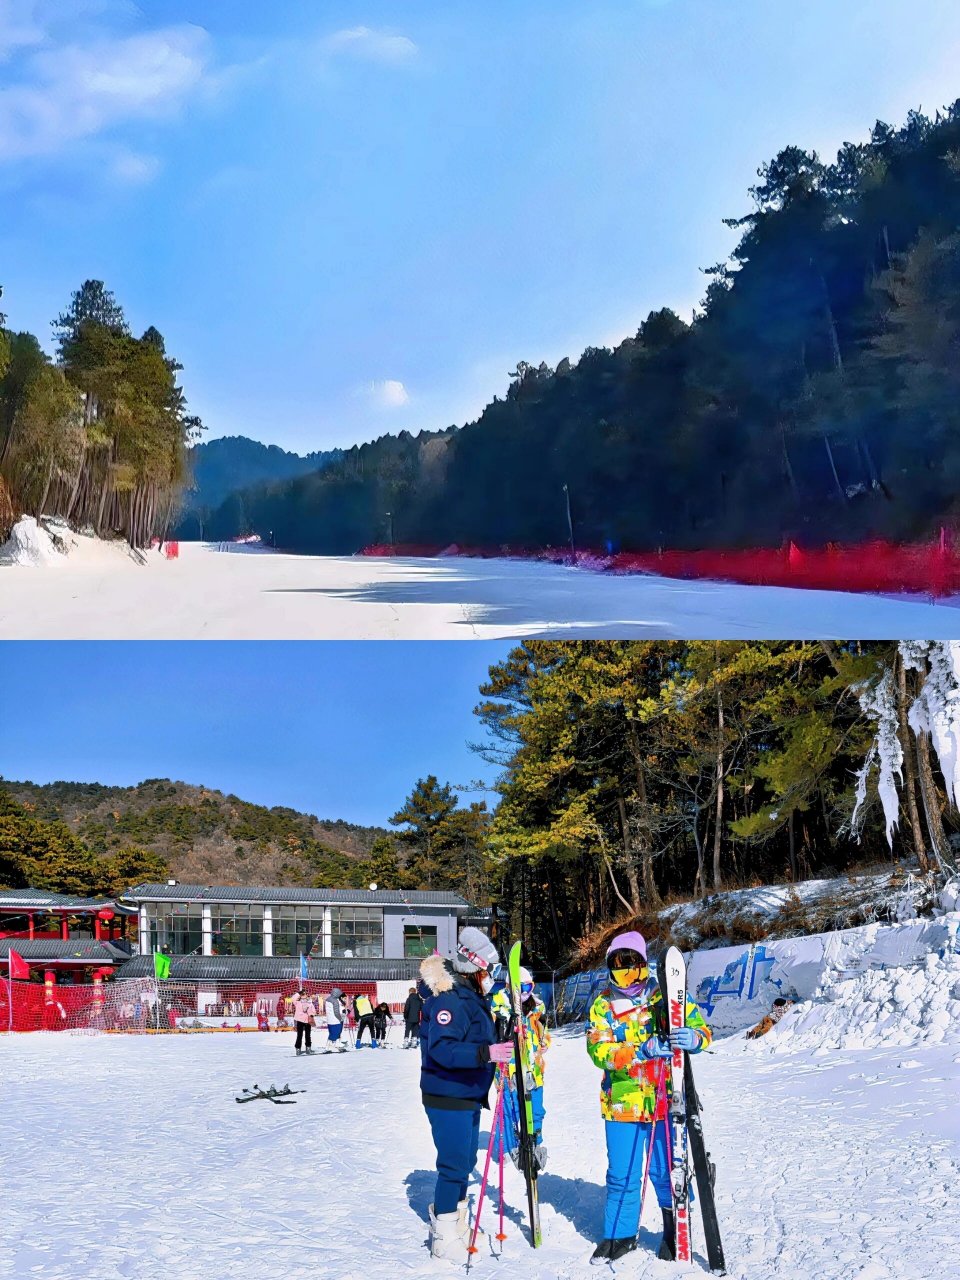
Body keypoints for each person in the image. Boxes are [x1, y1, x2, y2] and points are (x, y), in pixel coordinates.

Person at [586, 931, 712, 1265]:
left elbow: (702, 1030)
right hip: (622, 1103)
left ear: (647, 967)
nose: (630, 979)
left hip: (665, 1101)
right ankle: (619, 1235)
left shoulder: (664, 997)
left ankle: (674, 1231)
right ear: (610, 970)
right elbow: (599, 1051)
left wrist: (694, 1038)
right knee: (623, 1173)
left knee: (666, 1169)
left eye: (637, 970)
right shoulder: (603, 1005)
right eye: (621, 970)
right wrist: (640, 1051)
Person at [419, 926, 513, 1261]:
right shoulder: (451, 999)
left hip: (466, 1093)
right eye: (491, 970)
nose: (493, 977)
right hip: (448, 1094)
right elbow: (443, 1049)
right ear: (475, 968)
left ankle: (457, 1224)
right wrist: (487, 1054)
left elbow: (476, 1040)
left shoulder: (471, 997)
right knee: (453, 1165)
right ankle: (444, 1237)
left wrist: (496, 1043)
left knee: (464, 1161)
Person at [490, 965, 550, 1170]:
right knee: (508, 1110)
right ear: (509, 987)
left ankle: (535, 1143)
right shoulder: (498, 1009)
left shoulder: (537, 1008)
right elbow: (490, 1038)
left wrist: (544, 1043)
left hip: (533, 1070)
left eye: (528, 987)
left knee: (536, 1110)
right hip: (508, 1070)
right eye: (520, 988)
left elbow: (544, 1033)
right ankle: (509, 1148)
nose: (525, 992)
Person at [292, 988, 315, 1055]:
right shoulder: (297, 1002)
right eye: (303, 994)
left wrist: (311, 1015)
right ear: (301, 995)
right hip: (300, 1020)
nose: (305, 995)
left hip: (307, 1020)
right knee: (299, 1035)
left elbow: (312, 1010)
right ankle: (298, 1049)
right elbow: (293, 998)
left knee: (308, 1035)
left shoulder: (309, 1002)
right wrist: (299, 992)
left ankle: (308, 1048)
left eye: (305, 994)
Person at [324, 987, 348, 1052]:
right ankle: (331, 1047)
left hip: (329, 1020)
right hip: (335, 1020)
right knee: (335, 1034)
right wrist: (340, 1018)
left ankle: (329, 1046)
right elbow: (336, 1012)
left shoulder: (327, 999)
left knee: (332, 1034)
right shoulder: (335, 1001)